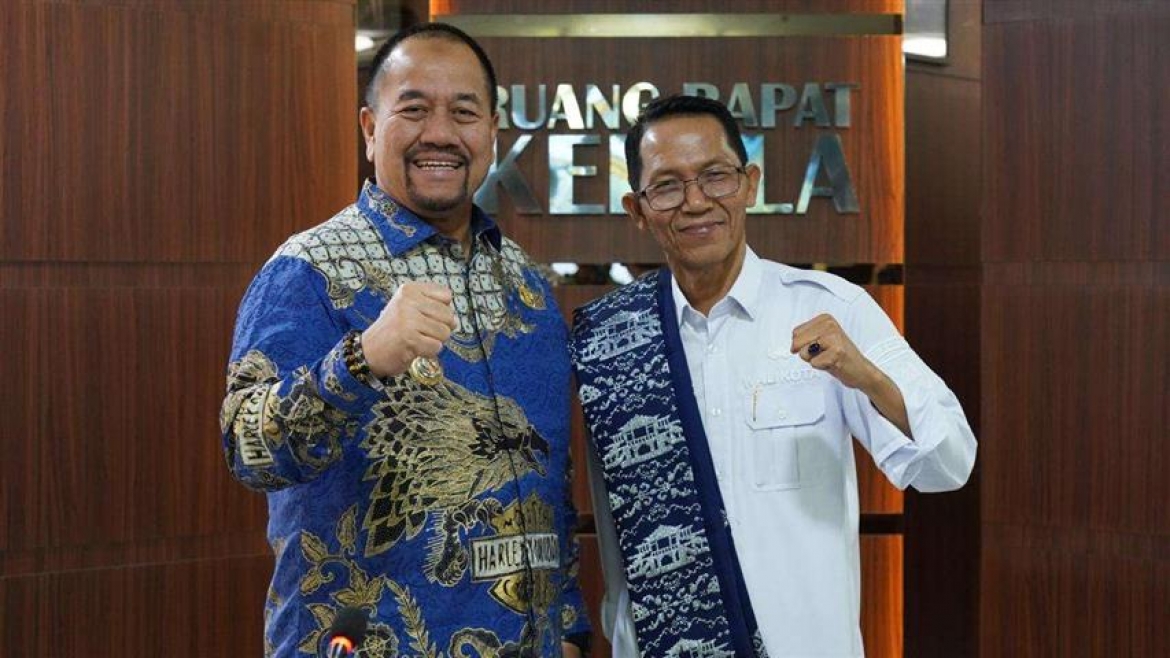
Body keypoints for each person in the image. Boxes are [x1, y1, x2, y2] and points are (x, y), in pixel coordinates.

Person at [220, 23, 590, 658]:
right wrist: (360, 361)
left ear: (492, 132)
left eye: (463, 112)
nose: (439, 133)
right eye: (414, 110)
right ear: (370, 129)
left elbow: (551, 483)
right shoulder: (310, 270)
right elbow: (246, 448)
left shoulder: (527, 285)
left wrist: (572, 630)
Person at [570, 94, 976, 657]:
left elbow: (948, 462)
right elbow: (619, 543)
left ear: (750, 184)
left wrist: (866, 376)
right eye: (667, 186)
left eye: (716, 176)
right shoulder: (609, 339)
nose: (696, 202)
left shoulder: (832, 309)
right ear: (637, 210)